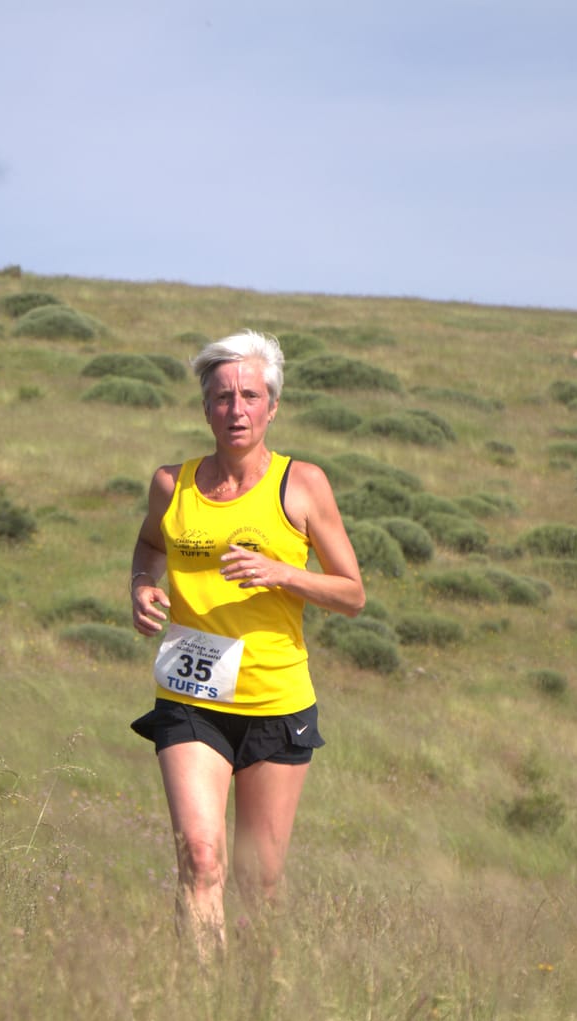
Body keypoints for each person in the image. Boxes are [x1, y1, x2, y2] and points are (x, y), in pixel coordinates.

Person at [129, 330, 365, 955]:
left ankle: (256, 1011)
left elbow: (352, 593)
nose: (237, 409)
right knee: (201, 861)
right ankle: (202, 1014)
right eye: (222, 396)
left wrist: (283, 573)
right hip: (188, 697)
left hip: (274, 703)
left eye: (250, 396)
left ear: (272, 407)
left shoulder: (302, 485)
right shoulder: (170, 484)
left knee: (261, 886)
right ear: (205, 407)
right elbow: (151, 544)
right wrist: (140, 585)